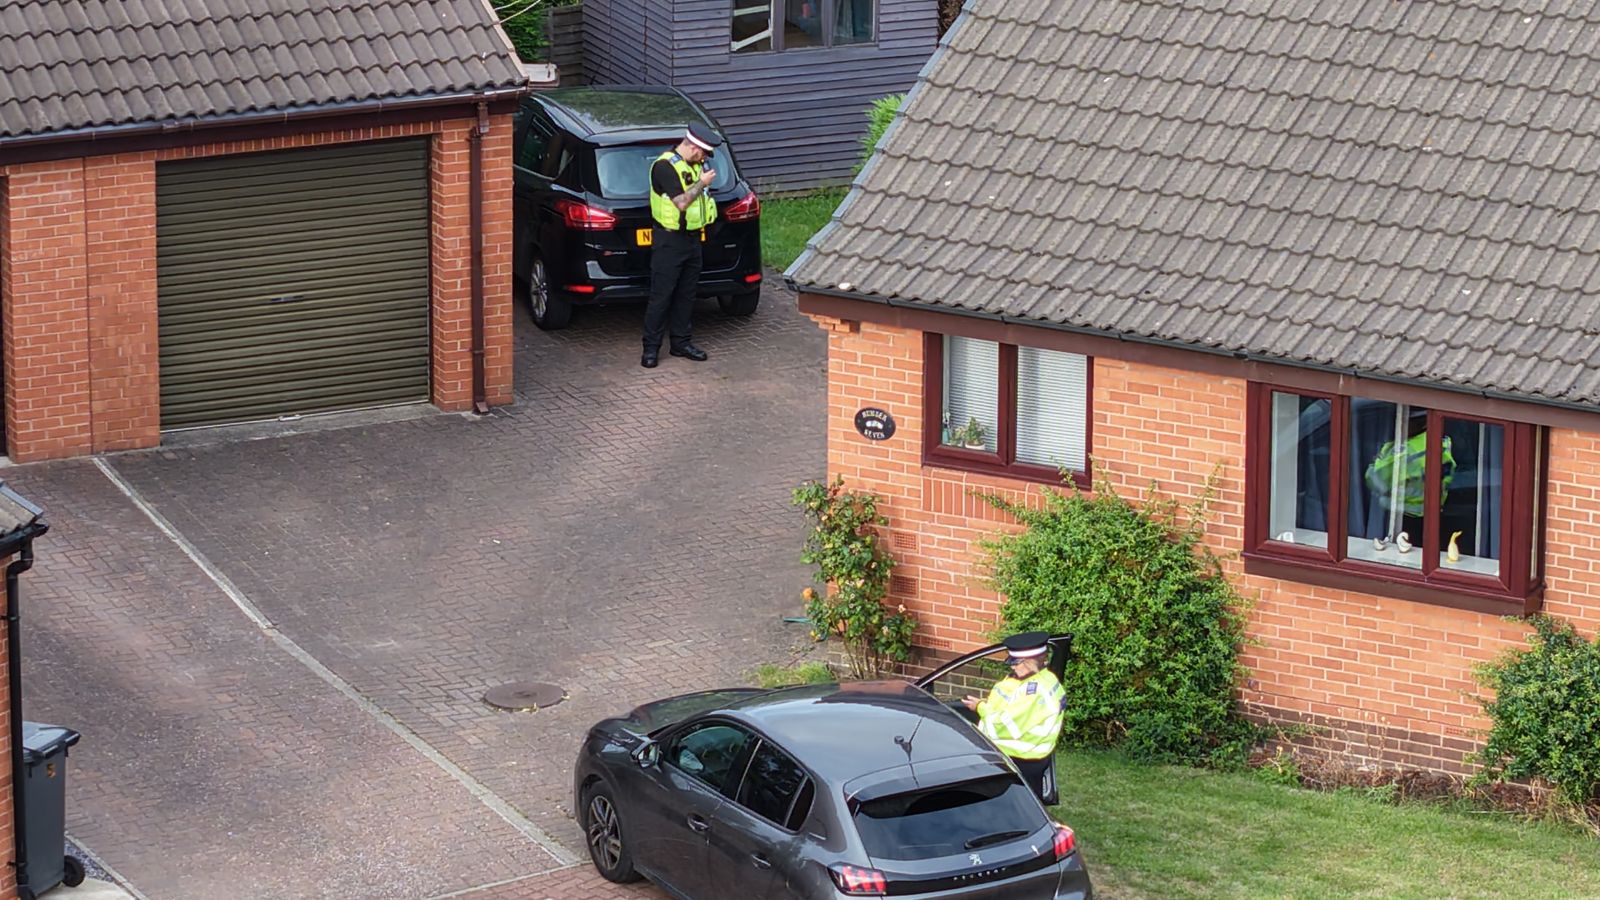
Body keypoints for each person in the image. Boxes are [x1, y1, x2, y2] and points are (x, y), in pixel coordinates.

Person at [641, 121, 721, 368]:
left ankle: (681, 343)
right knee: (661, 296)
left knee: (687, 294)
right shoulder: (664, 167)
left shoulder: (693, 165)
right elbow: (682, 202)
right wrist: (703, 184)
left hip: (692, 239)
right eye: (705, 154)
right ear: (696, 148)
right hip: (669, 241)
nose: (705, 159)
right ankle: (651, 349)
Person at [963, 632, 1066, 804]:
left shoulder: (1035, 692)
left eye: (1016, 663)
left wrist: (980, 708)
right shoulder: (1039, 677)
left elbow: (1007, 726)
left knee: (1019, 806)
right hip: (1023, 757)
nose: (1012, 667)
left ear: (1030, 662)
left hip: (1021, 759)